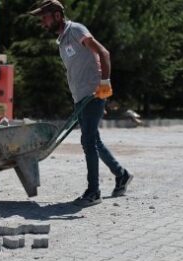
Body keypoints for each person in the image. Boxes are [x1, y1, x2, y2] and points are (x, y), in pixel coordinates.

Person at [29, 0, 132, 207]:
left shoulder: (76, 30)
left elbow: (103, 53)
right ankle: (121, 175)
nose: (42, 22)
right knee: (94, 141)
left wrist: (105, 82)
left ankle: (93, 192)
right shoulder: (62, 39)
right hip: (81, 98)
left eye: (45, 17)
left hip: (94, 94)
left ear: (57, 15)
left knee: (88, 141)